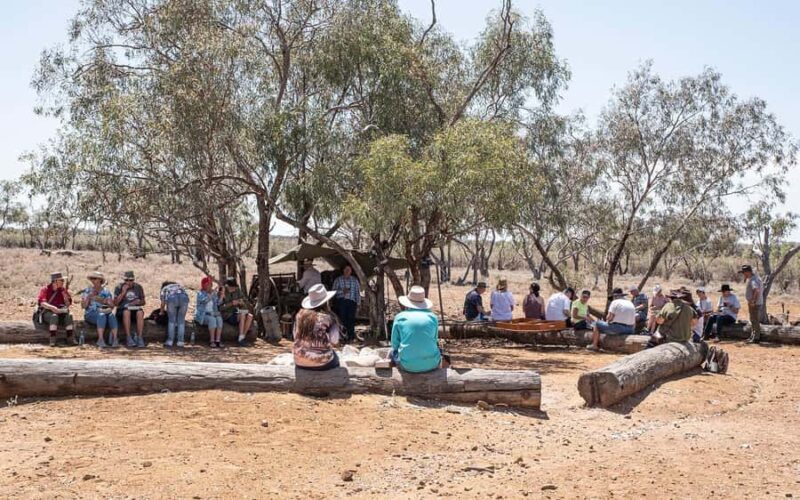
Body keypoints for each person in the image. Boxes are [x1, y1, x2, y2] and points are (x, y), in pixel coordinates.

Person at [391, 286, 448, 373]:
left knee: (392, 352)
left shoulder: (400, 317)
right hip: (432, 363)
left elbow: (395, 344)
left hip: (407, 365)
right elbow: (434, 339)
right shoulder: (433, 317)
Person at [293, 284, 341, 370]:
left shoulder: (299, 316)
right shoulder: (328, 318)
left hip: (299, 360)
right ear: (326, 301)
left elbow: (295, 335)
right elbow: (334, 340)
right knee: (336, 358)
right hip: (322, 362)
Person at [37, 271, 75, 347]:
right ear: (55, 281)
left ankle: (70, 339)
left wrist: (66, 298)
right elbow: (42, 303)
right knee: (54, 316)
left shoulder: (63, 290)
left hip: (60, 311)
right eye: (61, 280)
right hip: (48, 312)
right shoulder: (45, 289)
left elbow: (68, 304)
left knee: (69, 316)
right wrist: (52, 307)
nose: (63, 282)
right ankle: (52, 339)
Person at [81, 271, 118, 348]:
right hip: (91, 313)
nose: (92, 280)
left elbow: (112, 306)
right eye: (91, 278)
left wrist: (103, 300)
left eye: (94, 278)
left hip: (104, 312)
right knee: (102, 315)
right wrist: (88, 297)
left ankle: (115, 339)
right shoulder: (87, 291)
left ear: (100, 280)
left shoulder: (106, 292)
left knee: (111, 316)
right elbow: (83, 306)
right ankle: (100, 339)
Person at [114, 271, 146, 347]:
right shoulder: (119, 287)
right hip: (122, 310)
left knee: (140, 312)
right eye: (126, 280)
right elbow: (115, 303)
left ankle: (140, 337)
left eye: (130, 280)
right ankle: (128, 337)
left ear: (133, 280)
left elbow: (143, 302)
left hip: (134, 310)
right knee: (126, 311)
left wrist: (137, 302)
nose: (128, 282)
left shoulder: (138, 287)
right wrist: (123, 292)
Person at [219, 277, 254, 347]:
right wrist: (231, 303)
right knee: (242, 314)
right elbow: (220, 307)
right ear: (227, 286)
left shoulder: (237, 290)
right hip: (227, 314)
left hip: (236, 312)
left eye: (234, 287)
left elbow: (244, 300)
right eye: (232, 287)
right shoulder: (222, 291)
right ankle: (240, 338)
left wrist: (241, 302)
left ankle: (242, 337)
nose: (233, 289)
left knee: (250, 316)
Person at [332, 265, 361, 342]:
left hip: (352, 302)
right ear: (343, 270)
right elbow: (333, 292)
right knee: (342, 319)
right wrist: (342, 291)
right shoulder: (338, 280)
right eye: (346, 269)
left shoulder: (355, 280)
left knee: (351, 319)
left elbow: (357, 292)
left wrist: (358, 303)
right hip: (342, 302)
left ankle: (351, 337)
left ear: (351, 271)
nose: (348, 271)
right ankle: (342, 337)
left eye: (349, 270)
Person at [195, 276, 224, 347]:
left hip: (213, 313)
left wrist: (222, 296)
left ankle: (218, 340)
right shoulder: (200, 294)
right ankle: (212, 341)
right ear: (204, 285)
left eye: (211, 284)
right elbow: (204, 301)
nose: (210, 286)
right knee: (212, 319)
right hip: (203, 315)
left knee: (219, 319)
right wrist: (211, 294)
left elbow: (218, 303)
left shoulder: (213, 293)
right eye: (209, 284)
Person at [160, 281, 190, 348]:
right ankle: (180, 342)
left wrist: (161, 312)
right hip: (184, 299)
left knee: (171, 321)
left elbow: (162, 303)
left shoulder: (164, 288)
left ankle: (170, 341)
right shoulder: (179, 286)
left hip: (172, 298)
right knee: (181, 321)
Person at [740, 264, 763, 344]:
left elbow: (756, 290)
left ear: (747, 272)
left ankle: (756, 337)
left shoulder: (753, 279)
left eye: (744, 272)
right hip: (754, 303)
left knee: (755, 320)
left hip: (755, 303)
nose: (743, 274)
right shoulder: (754, 278)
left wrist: (753, 301)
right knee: (753, 320)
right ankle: (753, 336)